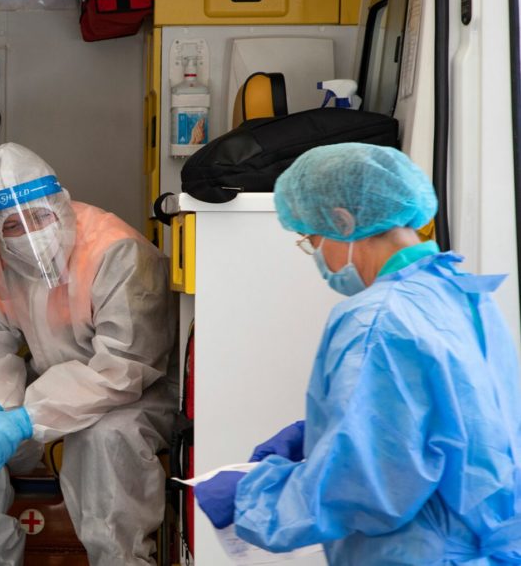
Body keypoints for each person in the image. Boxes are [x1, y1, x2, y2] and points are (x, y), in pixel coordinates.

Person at [194, 143, 521, 564]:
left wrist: (249, 496)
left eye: (311, 240)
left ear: (342, 220)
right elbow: (457, 420)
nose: (315, 254)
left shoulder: (376, 320)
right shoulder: (462, 293)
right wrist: (329, 430)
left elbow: (365, 488)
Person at [0, 143, 178, 566]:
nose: (30, 234)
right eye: (12, 226)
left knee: (104, 439)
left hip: (133, 395)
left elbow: (125, 366)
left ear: (60, 203)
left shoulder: (116, 250)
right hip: (45, 388)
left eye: (39, 217)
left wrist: (29, 417)